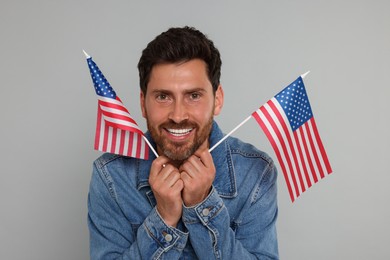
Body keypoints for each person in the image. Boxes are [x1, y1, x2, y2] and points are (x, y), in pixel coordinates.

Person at [88, 26, 279, 259]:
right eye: (163, 96)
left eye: (194, 96)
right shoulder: (111, 177)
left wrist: (202, 205)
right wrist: (164, 218)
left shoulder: (256, 173)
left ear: (217, 100)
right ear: (143, 103)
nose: (178, 115)